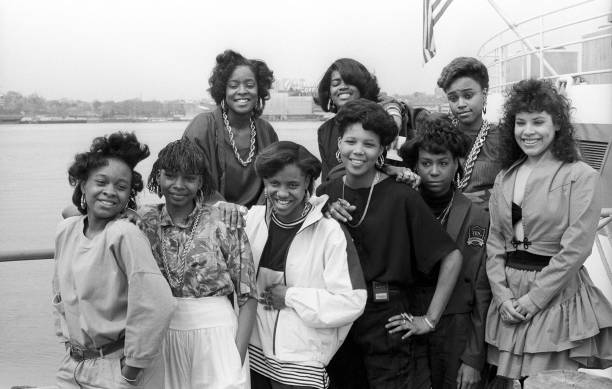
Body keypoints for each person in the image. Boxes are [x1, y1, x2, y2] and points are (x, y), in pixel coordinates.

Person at [318, 99, 462, 389]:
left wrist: (429, 320)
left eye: (369, 144)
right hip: (339, 315)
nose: (358, 151)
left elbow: (451, 256)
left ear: (382, 149)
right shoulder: (326, 194)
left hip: (386, 315)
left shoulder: (402, 196)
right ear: (339, 143)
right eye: (351, 141)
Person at [485, 79, 612, 382]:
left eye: (538, 121)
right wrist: (502, 297)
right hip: (509, 297)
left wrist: (532, 300)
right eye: (521, 123)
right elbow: (496, 243)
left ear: (557, 124)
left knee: (549, 384)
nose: (528, 131)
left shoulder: (581, 176)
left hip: (555, 297)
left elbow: (576, 250)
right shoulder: (504, 177)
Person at [52, 132, 175, 388]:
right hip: (73, 364)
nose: (110, 192)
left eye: (121, 187)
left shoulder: (124, 234)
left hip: (116, 367)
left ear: (129, 194)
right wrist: (67, 338)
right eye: (101, 182)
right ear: (83, 184)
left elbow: (158, 305)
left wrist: (130, 372)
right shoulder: (68, 230)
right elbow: (60, 294)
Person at [244, 141, 367, 389]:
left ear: (308, 184)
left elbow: (352, 301)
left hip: (301, 366)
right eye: (274, 184)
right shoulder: (250, 220)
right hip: (254, 358)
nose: (281, 193)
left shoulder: (329, 231)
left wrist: (290, 296)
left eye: (292, 185)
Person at [138, 138, 258, 388]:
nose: (179, 185)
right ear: (157, 177)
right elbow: (76, 214)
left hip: (216, 331)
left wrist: (237, 356)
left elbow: (248, 295)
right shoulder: (143, 220)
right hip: (161, 332)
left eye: (189, 178)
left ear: (201, 181)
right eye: (170, 176)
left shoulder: (223, 221)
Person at [399, 115, 491, 389]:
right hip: (406, 318)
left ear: (458, 164)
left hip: (456, 327)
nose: (435, 172)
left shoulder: (477, 216)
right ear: (416, 165)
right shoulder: (400, 205)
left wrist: (473, 358)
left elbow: (481, 289)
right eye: (426, 164)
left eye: (443, 163)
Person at [183, 49, 279, 208]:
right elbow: (187, 178)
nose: (242, 91)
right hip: (209, 217)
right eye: (234, 85)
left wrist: (256, 216)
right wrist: (222, 207)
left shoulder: (266, 131)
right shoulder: (202, 127)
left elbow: (276, 181)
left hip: (258, 220)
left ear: (259, 90)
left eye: (249, 85)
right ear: (223, 90)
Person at [314, 58, 426, 182]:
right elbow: (327, 177)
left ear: (362, 87)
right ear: (328, 92)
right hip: (341, 196)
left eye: (349, 82)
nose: (342, 87)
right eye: (336, 83)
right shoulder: (325, 131)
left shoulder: (382, 118)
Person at [435, 57, 502, 204]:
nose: (460, 104)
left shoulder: (503, 138)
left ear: (484, 94)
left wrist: (477, 198)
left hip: (486, 222)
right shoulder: (439, 132)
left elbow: (516, 186)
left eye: (468, 96)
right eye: (453, 98)